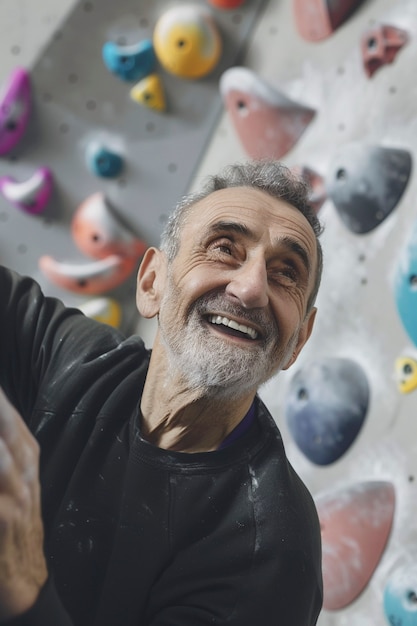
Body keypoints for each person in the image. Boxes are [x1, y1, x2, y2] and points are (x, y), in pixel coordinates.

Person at [0, 159, 324, 626]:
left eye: (286, 273)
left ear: (299, 340)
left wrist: (23, 585)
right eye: (224, 248)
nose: (251, 287)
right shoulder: (72, 360)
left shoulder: (272, 549)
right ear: (152, 282)